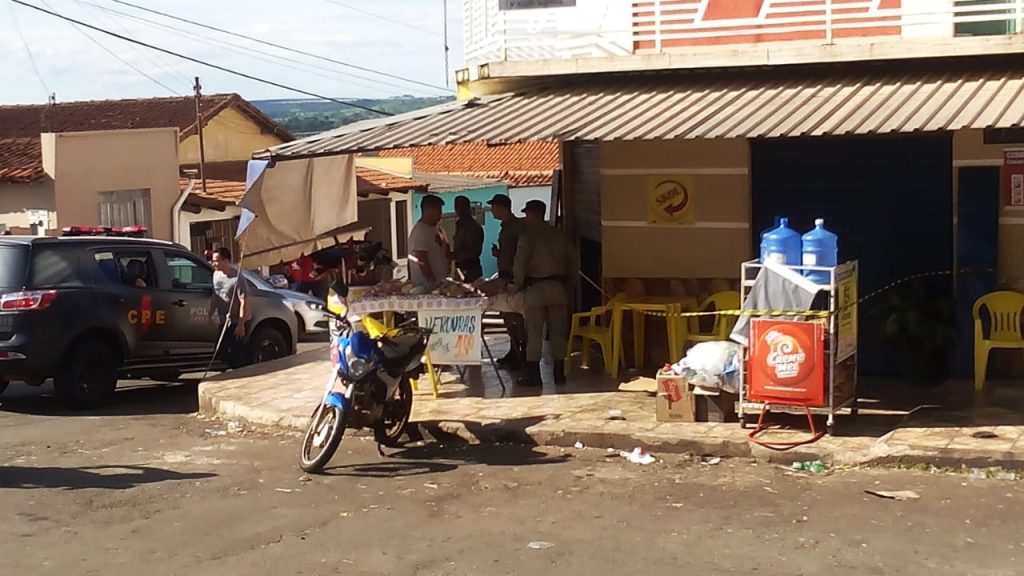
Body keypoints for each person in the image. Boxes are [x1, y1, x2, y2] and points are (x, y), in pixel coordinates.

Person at [512, 200, 577, 387]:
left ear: (532, 214)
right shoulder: (559, 235)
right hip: (558, 288)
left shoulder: (527, 237)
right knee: (558, 333)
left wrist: (516, 285)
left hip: (535, 289)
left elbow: (519, 265)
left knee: (534, 334)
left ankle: (534, 376)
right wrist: (570, 285)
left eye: (527, 214)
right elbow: (574, 261)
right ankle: (559, 374)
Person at [488, 193, 528, 367]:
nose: (491, 210)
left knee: (517, 317)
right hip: (503, 276)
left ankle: (523, 354)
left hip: (513, 278)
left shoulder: (518, 227)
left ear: (502, 207)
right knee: (506, 316)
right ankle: (514, 351)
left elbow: (523, 250)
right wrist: (499, 254)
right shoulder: (505, 227)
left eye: (493, 207)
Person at [209, 247, 249, 369]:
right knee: (220, 350)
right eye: (213, 260)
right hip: (224, 321)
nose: (213, 263)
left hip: (236, 322)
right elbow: (215, 295)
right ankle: (235, 371)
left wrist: (241, 324)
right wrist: (210, 314)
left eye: (216, 260)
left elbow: (244, 302)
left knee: (237, 354)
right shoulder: (216, 275)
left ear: (226, 261)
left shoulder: (237, 278)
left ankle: (242, 374)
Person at [408, 194, 451, 289]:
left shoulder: (434, 229)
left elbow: (446, 251)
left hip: (440, 284)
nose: (441, 214)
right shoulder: (421, 231)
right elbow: (421, 259)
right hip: (427, 287)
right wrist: (432, 281)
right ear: (428, 210)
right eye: (438, 210)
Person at [452, 195, 484, 282]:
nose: (458, 210)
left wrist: (455, 255)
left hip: (471, 271)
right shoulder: (460, 225)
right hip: (461, 269)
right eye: (457, 207)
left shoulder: (472, 226)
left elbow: (475, 252)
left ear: (467, 208)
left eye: (461, 207)